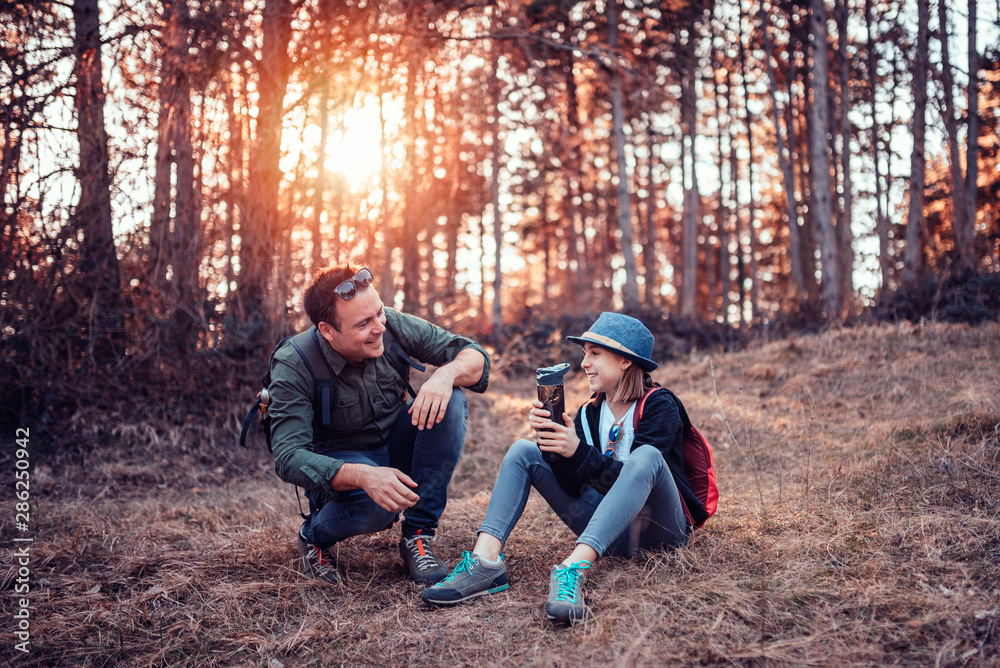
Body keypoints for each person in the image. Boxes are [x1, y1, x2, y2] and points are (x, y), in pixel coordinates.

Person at [421, 312, 703, 623]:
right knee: (523, 450)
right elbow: (576, 487)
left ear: (625, 360)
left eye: (595, 353)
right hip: (610, 537)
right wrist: (555, 448)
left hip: (659, 532)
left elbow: (637, 482)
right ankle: (485, 562)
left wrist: (578, 451)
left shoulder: (659, 405)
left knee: (646, 456)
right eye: (584, 353)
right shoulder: (589, 413)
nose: (584, 363)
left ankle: (572, 568)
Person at [267, 262, 490, 585]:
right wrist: (365, 475)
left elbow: (474, 355)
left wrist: (445, 375)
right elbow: (288, 457)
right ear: (327, 331)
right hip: (343, 465)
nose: (379, 328)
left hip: (396, 443)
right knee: (375, 507)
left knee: (451, 399)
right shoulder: (294, 363)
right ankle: (313, 535)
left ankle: (418, 535)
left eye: (379, 313)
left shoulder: (389, 324)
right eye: (363, 324)